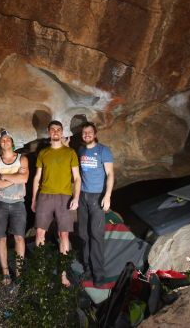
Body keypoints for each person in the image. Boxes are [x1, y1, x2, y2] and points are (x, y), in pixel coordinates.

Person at [31, 120, 81, 269]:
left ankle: (63, 273)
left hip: (64, 197)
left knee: (63, 234)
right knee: (40, 232)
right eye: (52, 129)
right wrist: (34, 199)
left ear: (62, 132)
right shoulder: (43, 152)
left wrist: (76, 197)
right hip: (45, 196)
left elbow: (77, 178)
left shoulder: (70, 152)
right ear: (49, 132)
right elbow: (37, 178)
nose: (55, 132)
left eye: (58, 129)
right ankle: (40, 272)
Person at [77, 122, 114, 285]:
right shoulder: (81, 150)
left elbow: (111, 174)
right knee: (84, 235)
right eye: (84, 132)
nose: (87, 134)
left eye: (89, 132)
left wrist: (107, 196)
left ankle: (98, 273)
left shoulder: (103, 150)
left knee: (96, 235)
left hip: (97, 196)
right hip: (83, 196)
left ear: (95, 133)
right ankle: (88, 269)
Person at [0, 129, 29, 284]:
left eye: (7, 139)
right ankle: (6, 272)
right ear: (0, 144)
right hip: (0, 204)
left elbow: (24, 178)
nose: (5, 142)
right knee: (1, 238)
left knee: (19, 237)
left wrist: (4, 176)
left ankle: (19, 272)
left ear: (12, 142)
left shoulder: (22, 159)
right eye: (2, 140)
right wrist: (15, 178)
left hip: (18, 203)